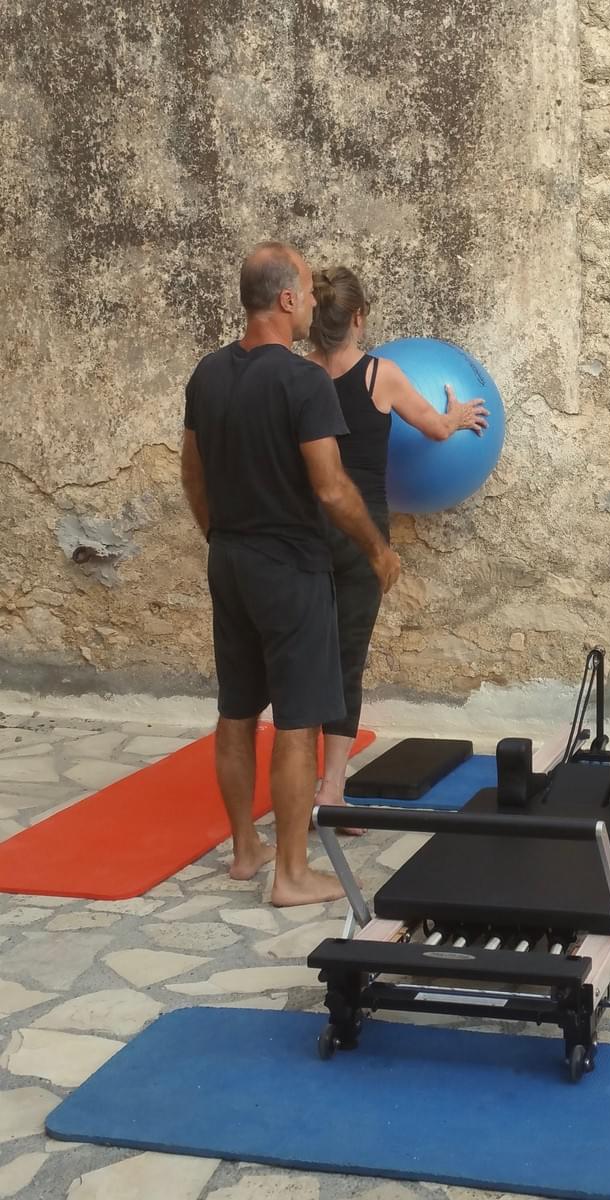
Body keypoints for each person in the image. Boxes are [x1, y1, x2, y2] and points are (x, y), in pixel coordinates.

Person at [180, 242, 402, 905]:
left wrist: (218, 533)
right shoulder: (303, 381)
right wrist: (377, 551)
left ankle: (247, 851)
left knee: (237, 711)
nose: (311, 302)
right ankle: (292, 875)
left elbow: (191, 472)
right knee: (299, 721)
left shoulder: (208, 374)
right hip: (290, 567)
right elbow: (332, 489)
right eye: (305, 291)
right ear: (284, 300)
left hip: (231, 560)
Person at [305, 266, 487, 829]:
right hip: (362, 534)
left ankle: (301, 782)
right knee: (347, 659)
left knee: (306, 656)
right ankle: (331, 791)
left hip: (305, 526)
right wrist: (458, 416)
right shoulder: (380, 375)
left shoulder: (297, 374)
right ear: (359, 318)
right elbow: (434, 428)